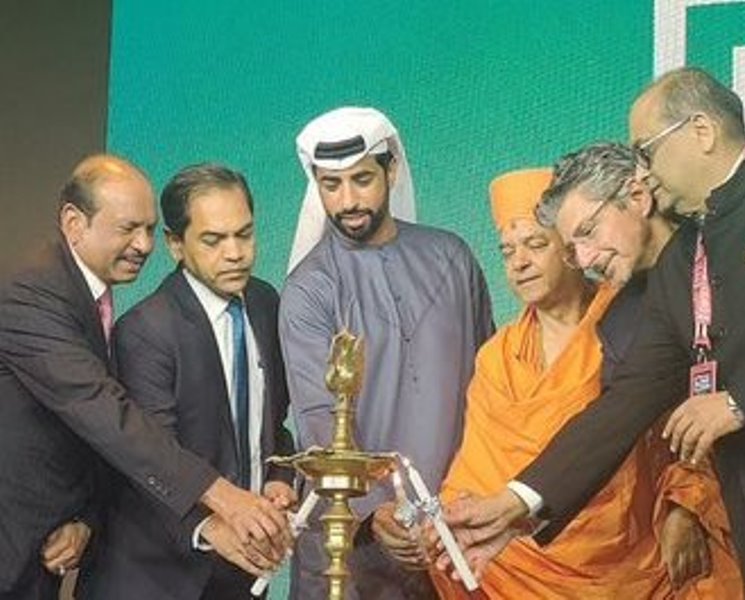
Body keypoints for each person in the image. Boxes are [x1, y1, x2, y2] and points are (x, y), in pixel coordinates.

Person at [447, 68, 745, 598]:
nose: (643, 171)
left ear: (701, 131)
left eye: (646, 150)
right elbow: (627, 401)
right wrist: (518, 501)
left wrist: (742, 401)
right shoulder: (683, 260)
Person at [432, 166, 741, 599]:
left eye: (536, 244)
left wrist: (687, 505)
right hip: (520, 555)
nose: (519, 263)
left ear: (571, 250)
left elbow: (692, 413)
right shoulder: (497, 357)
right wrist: (453, 520)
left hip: (637, 554)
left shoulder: (636, 316)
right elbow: (476, 468)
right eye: (507, 251)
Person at [0, 155, 290, 600]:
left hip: (56, 545)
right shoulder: (34, 295)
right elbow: (108, 418)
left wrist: (85, 518)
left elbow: (271, 424)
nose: (143, 245)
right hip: (31, 549)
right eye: (128, 228)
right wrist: (223, 499)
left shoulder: (264, 304)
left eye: (149, 229)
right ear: (74, 223)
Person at [280, 106, 494, 599]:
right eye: (331, 185)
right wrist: (375, 510)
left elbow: (490, 389)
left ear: (391, 171)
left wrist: (472, 503)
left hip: (453, 530)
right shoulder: (309, 288)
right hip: (354, 541)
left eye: (361, 180)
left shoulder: (452, 258)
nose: (348, 201)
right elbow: (317, 418)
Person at [80, 164, 295, 599]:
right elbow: (148, 463)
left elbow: (273, 425)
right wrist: (209, 527)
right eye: (213, 240)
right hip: (154, 578)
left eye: (244, 234)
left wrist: (279, 476)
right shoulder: (145, 331)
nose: (235, 253)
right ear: (175, 244)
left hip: (241, 574)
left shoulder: (265, 303)